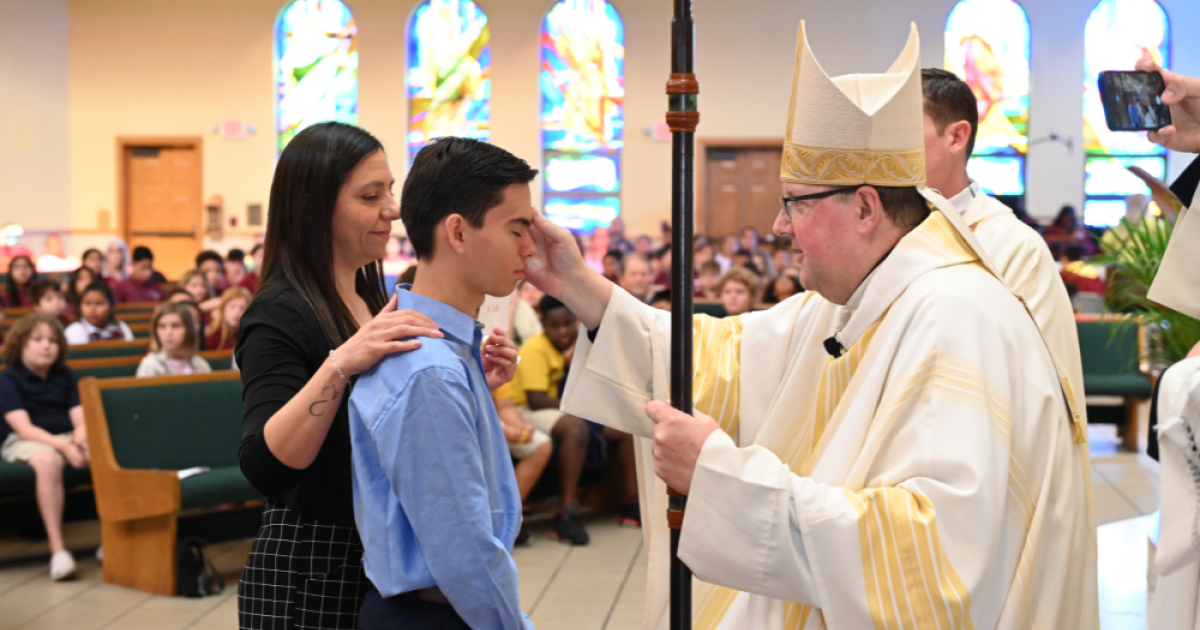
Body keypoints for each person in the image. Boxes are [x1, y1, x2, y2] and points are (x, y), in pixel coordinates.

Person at [530, 24, 1095, 629]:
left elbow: (931, 560)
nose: (779, 225)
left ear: (866, 207)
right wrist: (575, 284)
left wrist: (721, 479)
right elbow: (718, 357)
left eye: (795, 202)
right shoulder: (854, 297)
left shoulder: (953, 317)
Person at [236, 122, 442, 630]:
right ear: (312, 206)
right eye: (371, 196)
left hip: (375, 546)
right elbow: (266, 465)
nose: (392, 209)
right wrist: (339, 363)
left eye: (390, 190)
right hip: (313, 563)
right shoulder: (279, 312)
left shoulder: (369, 297)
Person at [347, 136, 528, 630]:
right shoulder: (429, 367)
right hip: (431, 614)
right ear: (458, 232)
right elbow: (462, 551)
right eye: (517, 230)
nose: (529, 248)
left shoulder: (442, 348)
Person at [921, 67, 1086, 427]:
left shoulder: (1017, 249)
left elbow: (1042, 390)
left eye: (903, 133)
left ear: (956, 137)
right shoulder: (878, 234)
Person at [507, 294, 640, 540]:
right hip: (525, 410)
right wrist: (583, 406)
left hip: (566, 406)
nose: (563, 331)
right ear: (543, 324)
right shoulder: (535, 349)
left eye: (568, 323)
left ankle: (631, 503)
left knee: (625, 427)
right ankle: (565, 511)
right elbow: (537, 400)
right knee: (576, 428)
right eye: (554, 326)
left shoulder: (581, 344)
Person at [0, 314, 89, 581]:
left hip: (66, 436)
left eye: (52, 340)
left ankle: (115, 538)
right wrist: (64, 447)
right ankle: (58, 551)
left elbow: (80, 419)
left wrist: (79, 439)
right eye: (37, 339)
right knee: (48, 462)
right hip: (23, 441)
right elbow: (24, 428)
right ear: (20, 344)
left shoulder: (65, 375)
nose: (46, 345)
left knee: (100, 455)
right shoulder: (9, 378)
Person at [493, 385, 552, 545]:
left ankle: (508, 519)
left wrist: (519, 426)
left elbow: (504, 405)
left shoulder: (496, 368)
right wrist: (502, 431)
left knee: (540, 444)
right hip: (462, 420)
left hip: (491, 417)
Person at [137, 302, 211, 377]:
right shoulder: (150, 365)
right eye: (162, 326)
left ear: (188, 329)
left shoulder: (199, 364)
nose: (169, 332)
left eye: (175, 326)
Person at [64, 282, 134, 345]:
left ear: (111, 307)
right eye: (88, 303)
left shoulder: (121, 328)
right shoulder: (75, 330)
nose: (93, 309)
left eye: (99, 303)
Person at [205, 286, 250, 351]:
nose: (237, 312)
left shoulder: (246, 335)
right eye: (232, 306)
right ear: (223, 308)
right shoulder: (211, 336)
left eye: (242, 308)